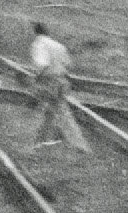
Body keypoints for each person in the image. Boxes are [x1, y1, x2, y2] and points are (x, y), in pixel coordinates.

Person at [26, 20, 88, 152]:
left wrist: (34, 78)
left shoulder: (38, 44)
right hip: (62, 81)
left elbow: (42, 65)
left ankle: (32, 144)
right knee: (58, 111)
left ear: (36, 33)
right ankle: (79, 144)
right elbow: (68, 64)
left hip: (49, 82)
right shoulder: (58, 45)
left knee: (44, 110)